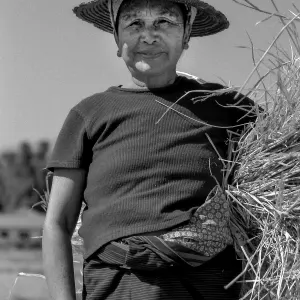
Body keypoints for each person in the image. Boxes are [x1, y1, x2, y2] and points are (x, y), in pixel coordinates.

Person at [42, 0, 257, 299]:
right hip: (117, 286)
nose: (148, 35)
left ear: (186, 35)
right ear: (117, 40)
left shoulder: (229, 108)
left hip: (208, 285)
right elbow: (58, 224)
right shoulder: (89, 114)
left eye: (164, 22)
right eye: (134, 24)